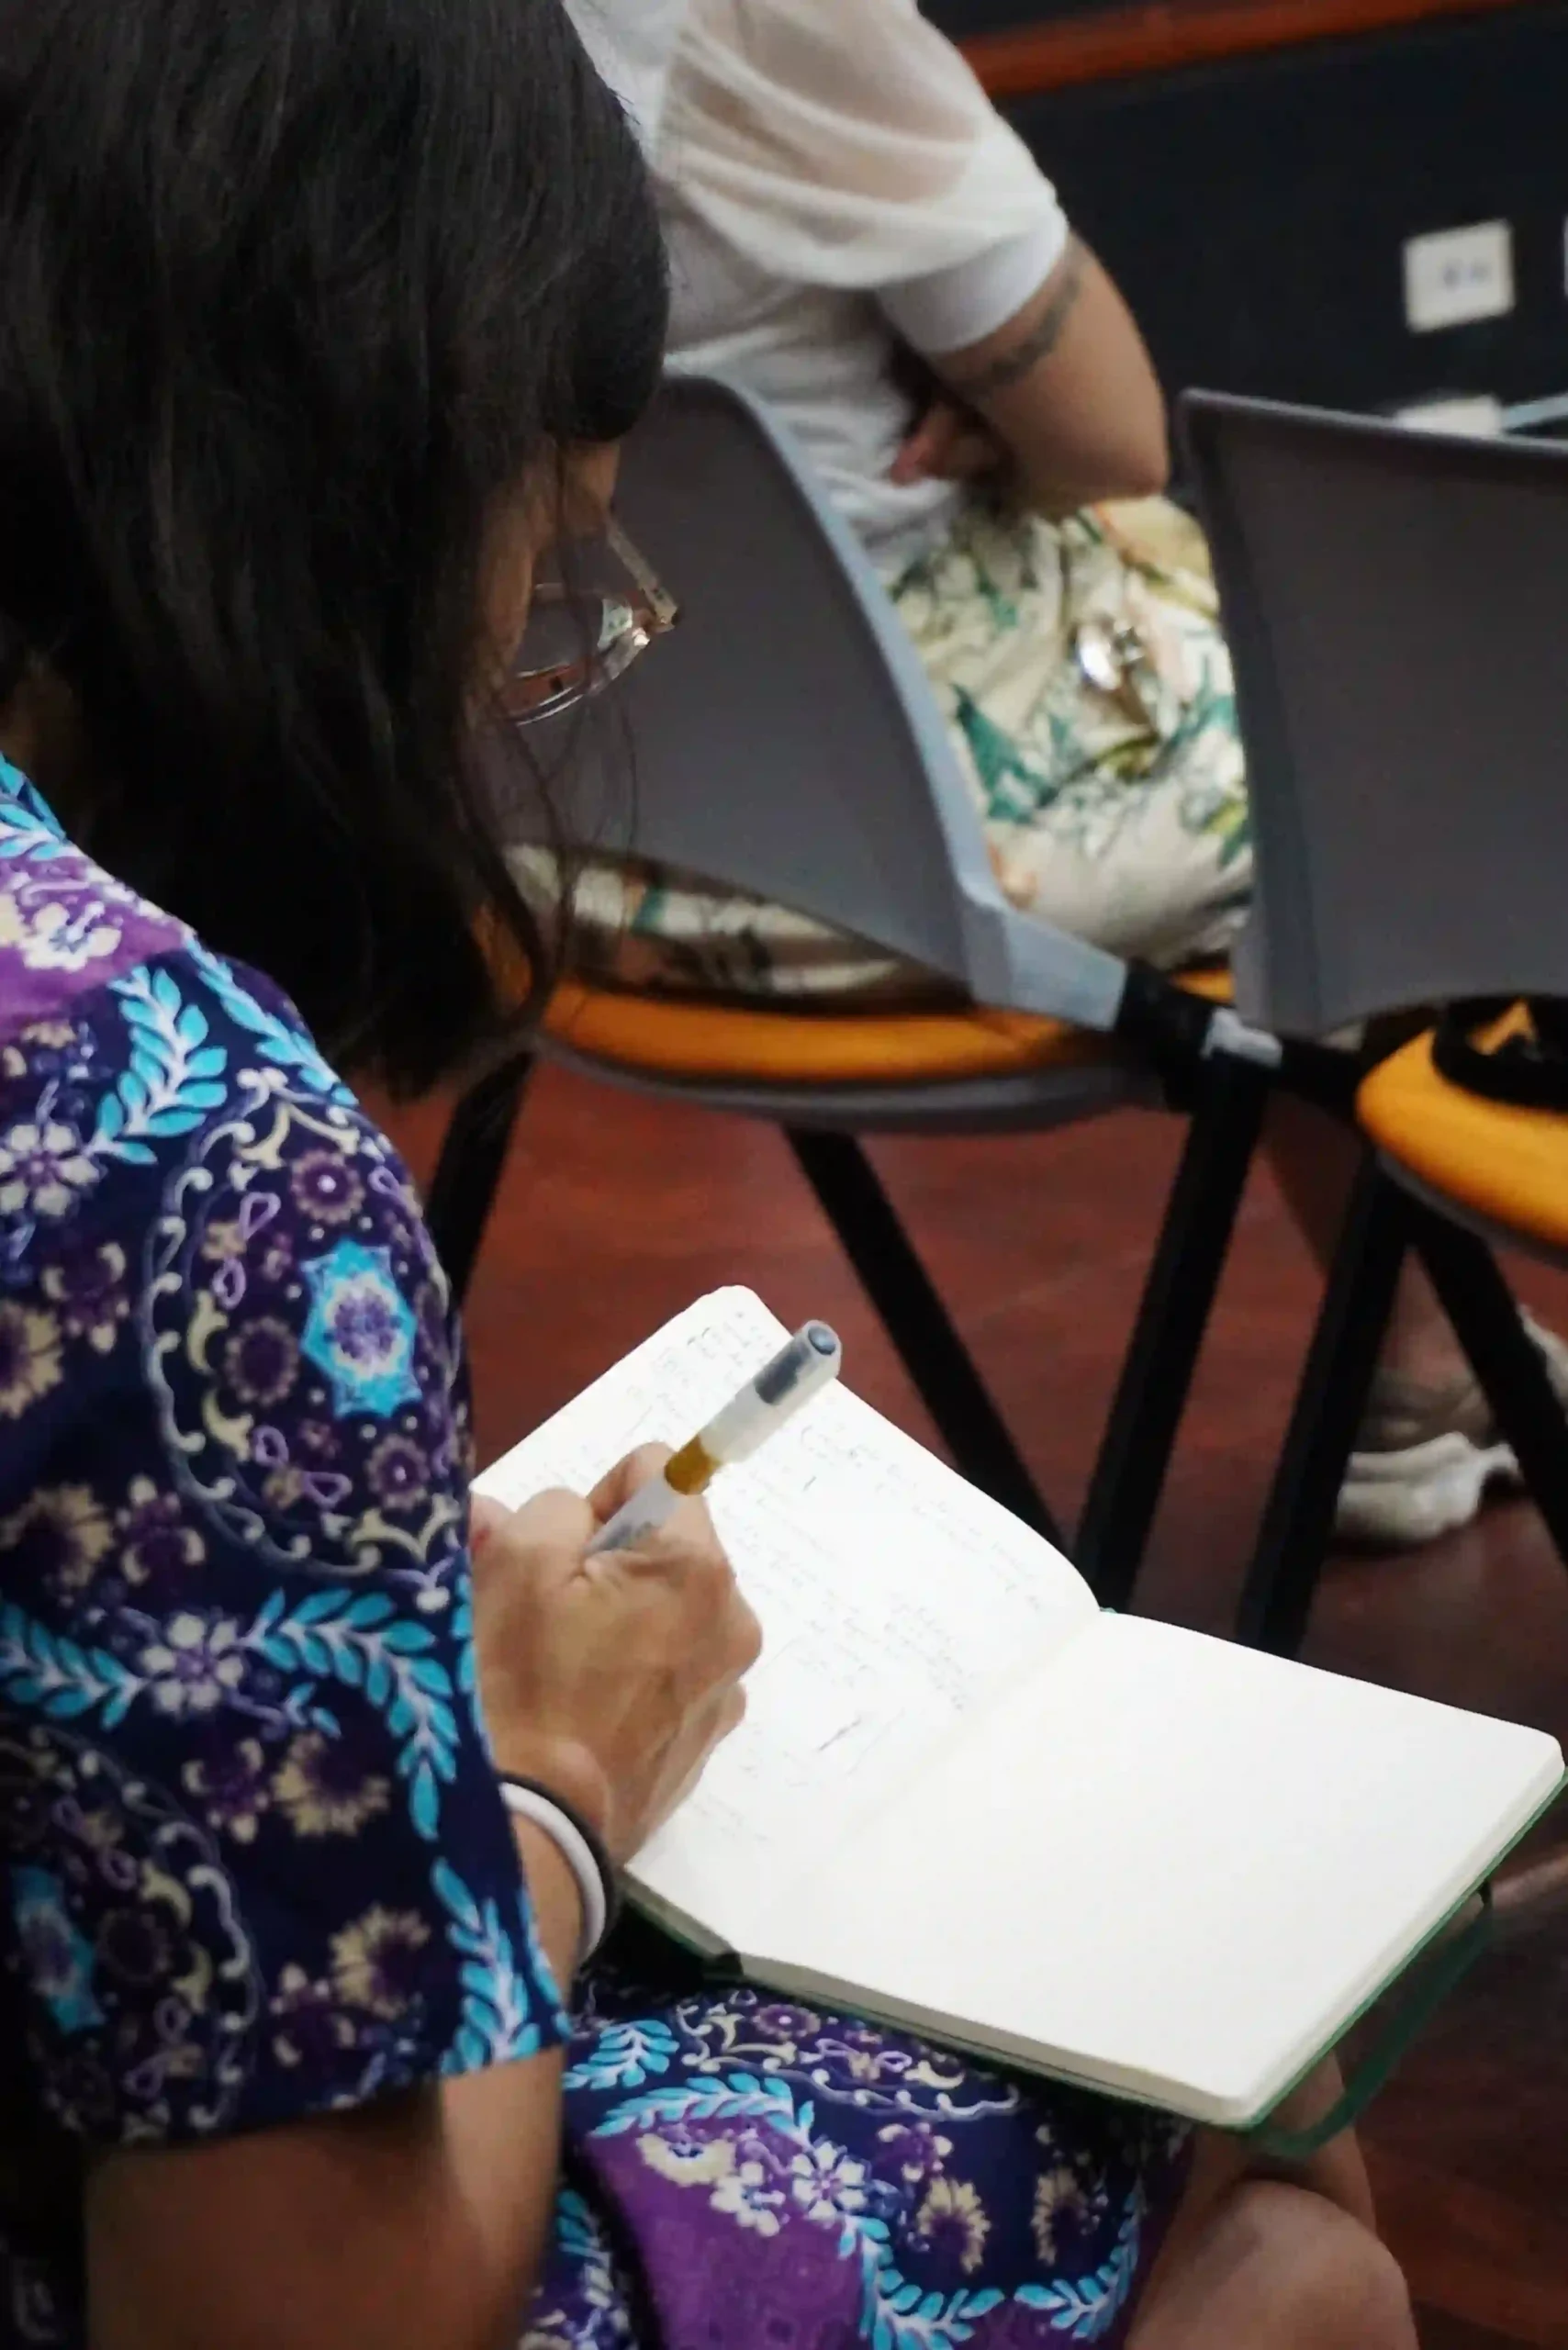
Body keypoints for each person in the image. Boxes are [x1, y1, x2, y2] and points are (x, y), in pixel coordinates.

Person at [0, 3, 1417, 2345]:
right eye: (543, 575)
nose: (503, 678)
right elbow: (293, 2311)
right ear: (345, 495)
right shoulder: (185, 1164)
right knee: (1261, 2162)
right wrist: (548, 1782)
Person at [555, 0, 1568, 1550]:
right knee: (1374, 736)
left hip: (568, 840)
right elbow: (1106, 430)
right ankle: (1417, 1368)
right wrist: (996, 399)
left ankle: (1419, 1365)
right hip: (922, 848)